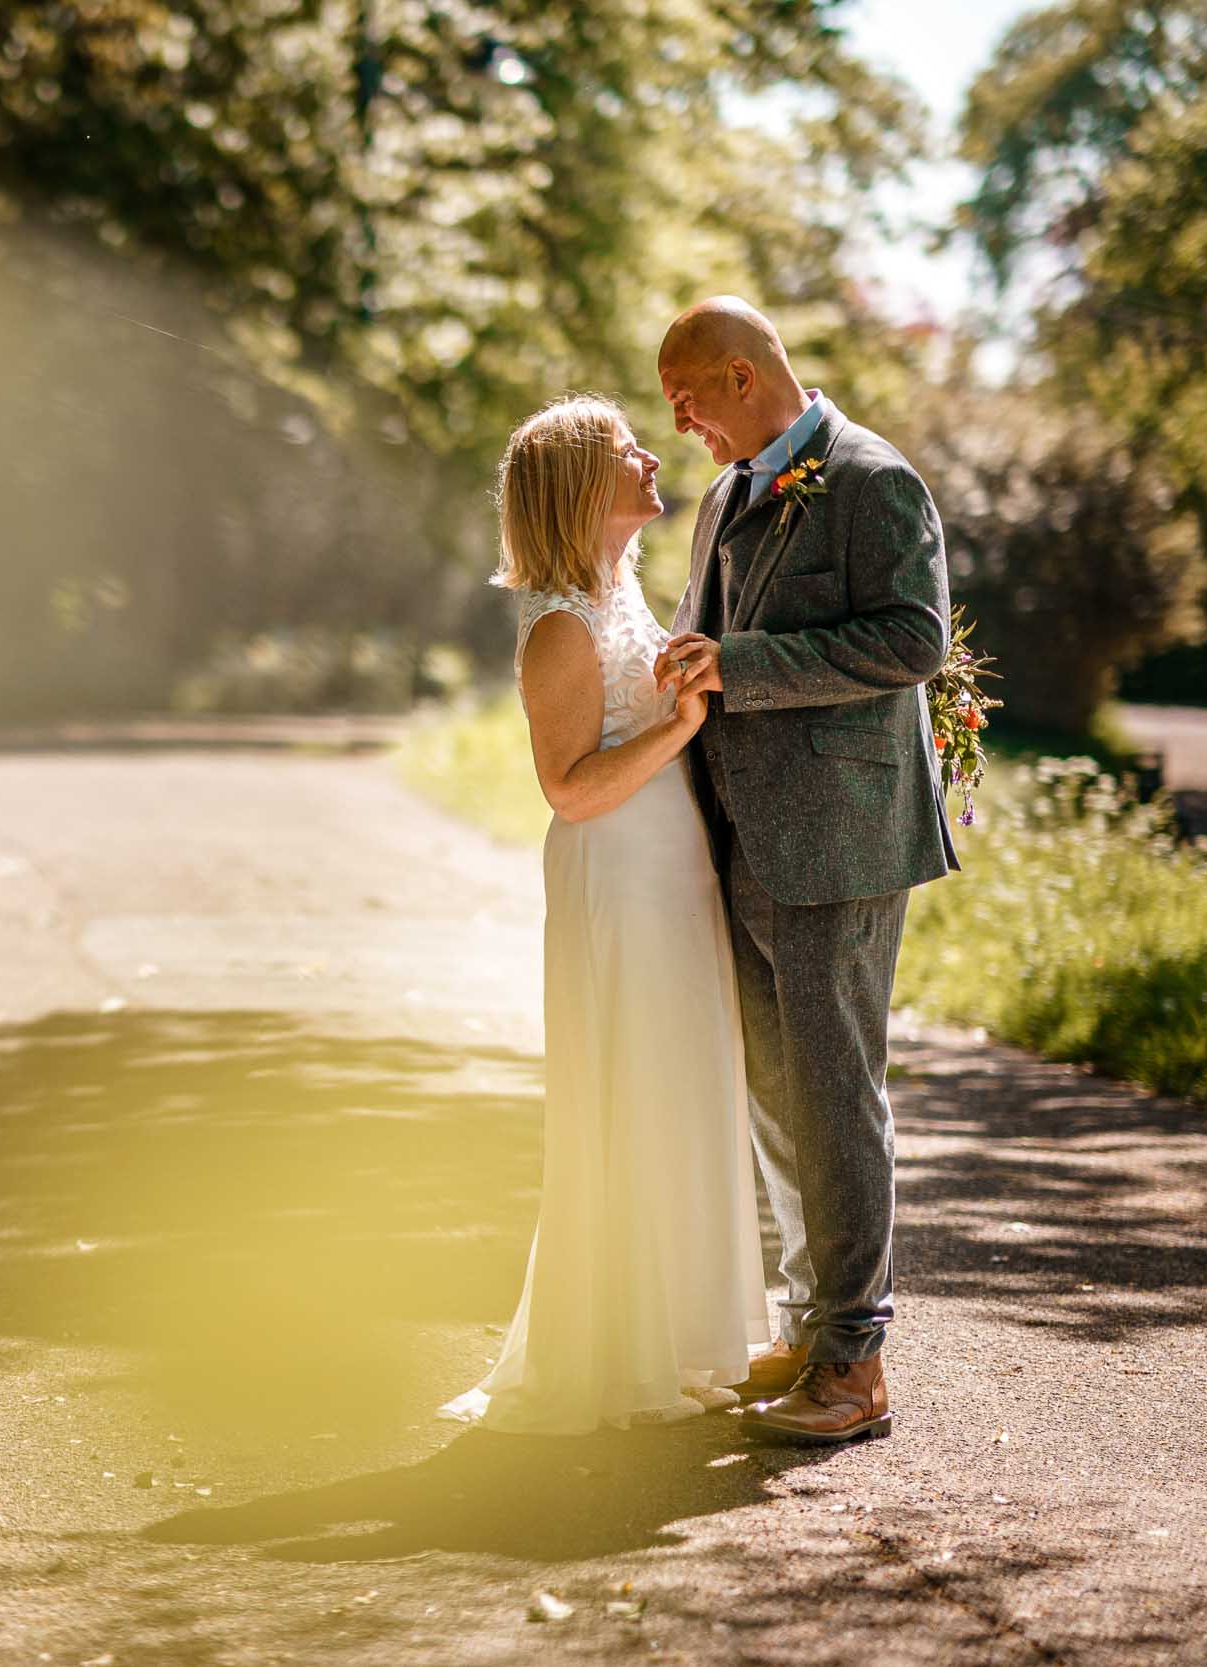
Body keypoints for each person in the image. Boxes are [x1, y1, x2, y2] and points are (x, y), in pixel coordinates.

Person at [434, 393, 774, 1434]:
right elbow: (569, 789)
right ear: (585, 485)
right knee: (632, 1087)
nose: (646, 454)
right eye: (625, 447)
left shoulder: (620, 591)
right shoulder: (559, 628)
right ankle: (622, 1347)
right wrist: (681, 724)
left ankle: (684, 1339)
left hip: (673, 872)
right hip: (617, 876)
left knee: (680, 1084)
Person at [654, 296, 957, 1445]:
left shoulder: (873, 480)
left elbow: (911, 639)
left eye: (686, 401)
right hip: (738, 835)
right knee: (774, 1094)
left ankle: (855, 1363)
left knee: (835, 1097)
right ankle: (806, 1322)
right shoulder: (728, 491)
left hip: (838, 837)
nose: (680, 424)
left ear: (740, 377)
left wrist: (741, 663)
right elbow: (701, 636)